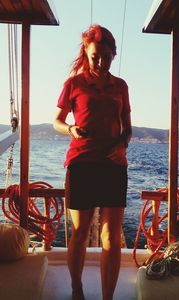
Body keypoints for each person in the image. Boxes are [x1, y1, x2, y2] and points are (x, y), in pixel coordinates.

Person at [53, 24, 132, 300]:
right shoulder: (73, 84)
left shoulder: (121, 87)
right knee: (80, 232)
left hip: (113, 166)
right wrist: (71, 129)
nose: (100, 62)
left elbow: (128, 129)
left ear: (114, 55)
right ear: (86, 52)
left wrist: (122, 144)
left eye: (107, 57)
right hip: (81, 164)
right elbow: (57, 121)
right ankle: (77, 290)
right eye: (95, 56)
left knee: (110, 238)